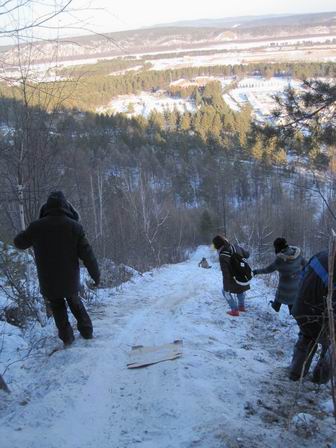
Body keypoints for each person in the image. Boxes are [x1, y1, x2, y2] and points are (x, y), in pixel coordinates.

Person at [14, 191, 100, 346]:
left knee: (57, 306)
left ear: (46, 208)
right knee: (75, 302)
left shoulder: (36, 227)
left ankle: (67, 338)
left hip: (48, 280)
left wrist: (30, 232)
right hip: (69, 278)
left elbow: (19, 243)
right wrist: (96, 275)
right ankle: (87, 331)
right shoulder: (75, 227)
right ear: (66, 207)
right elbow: (88, 255)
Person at [289, 251, 333, 384]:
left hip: (300, 306)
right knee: (330, 346)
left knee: (306, 337)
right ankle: (320, 378)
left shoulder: (321, 255)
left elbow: (302, 276)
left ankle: (295, 373)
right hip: (316, 314)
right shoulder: (333, 268)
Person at [253, 237, 305, 314]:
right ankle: (293, 314)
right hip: (295, 286)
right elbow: (306, 264)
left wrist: (256, 271)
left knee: (279, 299)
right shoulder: (298, 255)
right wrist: (299, 274)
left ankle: (274, 310)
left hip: (284, 287)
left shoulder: (280, 260)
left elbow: (267, 270)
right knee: (292, 301)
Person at [212, 235, 250, 316]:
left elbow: (226, 274)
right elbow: (247, 255)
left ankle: (234, 310)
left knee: (225, 292)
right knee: (240, 289)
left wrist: (226, 289)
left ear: (217, 246)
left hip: (235, 279)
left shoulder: (223, 256)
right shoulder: (236, 246)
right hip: (244, 277)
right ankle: (241, 306)